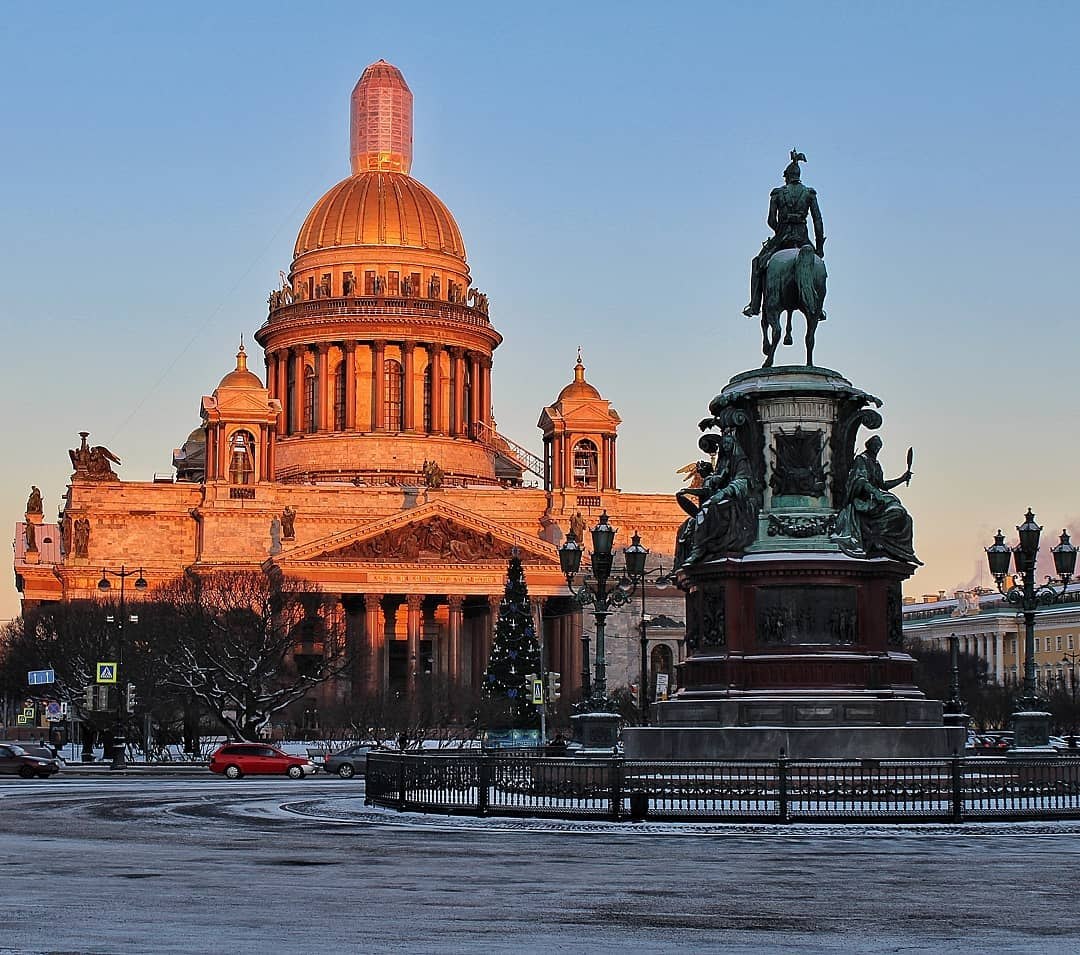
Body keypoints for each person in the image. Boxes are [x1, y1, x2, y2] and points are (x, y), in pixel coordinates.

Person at [743, 149, 826, 318]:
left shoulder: (778, 193)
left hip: (782, 236)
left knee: (758, 263)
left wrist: (779, 230)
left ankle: (754, 304)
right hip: (803, 238)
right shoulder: (809, 193)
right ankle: (819, 310)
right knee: (820, 269)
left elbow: (770, 220)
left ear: (787, 177)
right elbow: (818, 221)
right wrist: (819, 246)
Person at [832, 436, 921, 564]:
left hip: (876, 499)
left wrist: (902, 479)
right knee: (897, 512)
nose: (877, 448)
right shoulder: (861, 459)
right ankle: (875, 536)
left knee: (906, 518)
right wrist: (874, 492)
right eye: (876, 445)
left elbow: (883, 485)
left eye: (879, 446)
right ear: (870, 446)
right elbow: (860, 480)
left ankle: (900, 549)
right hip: (863, 499)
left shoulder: (876, 463)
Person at [676, 433, 759, 566]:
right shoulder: (726, 462)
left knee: (709, 509)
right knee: (702, 512)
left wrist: (723, 492)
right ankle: (694, 548)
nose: (725, 448)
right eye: (723, 445)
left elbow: (742, 482)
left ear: (733, 445)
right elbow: (716, 484)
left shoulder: (741, 461)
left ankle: (699, 549)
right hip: (727, 497)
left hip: (739, 499)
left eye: (727, 444)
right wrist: (688, 491)